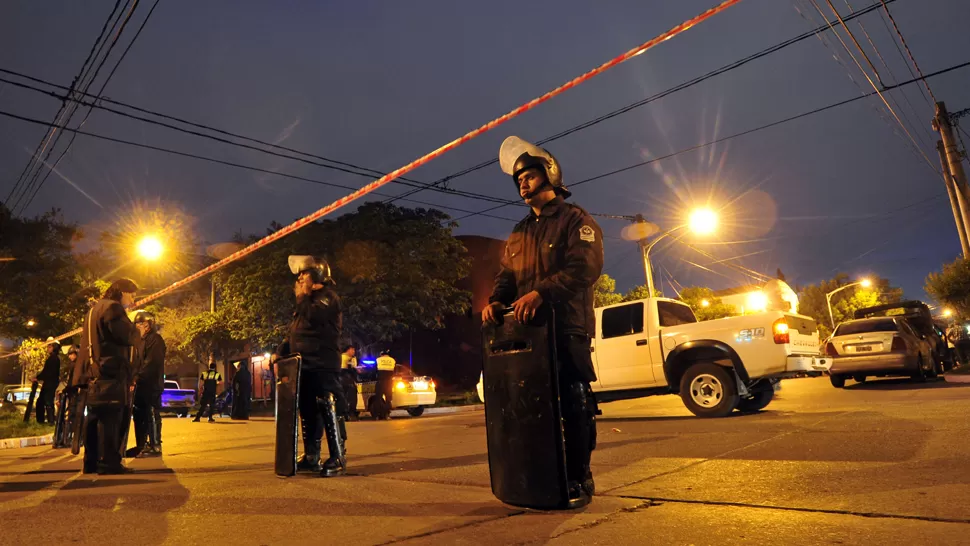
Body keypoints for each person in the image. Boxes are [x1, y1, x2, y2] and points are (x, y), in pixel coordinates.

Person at [482, 136, 604, 506]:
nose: (522, 182)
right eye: (518, 178)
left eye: (529, 175)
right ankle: (540, 476)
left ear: (549, 174)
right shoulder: (520, 231)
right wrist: (495, 301)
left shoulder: (575, 219)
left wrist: (542, 294)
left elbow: (585, 268)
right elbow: (507, 276)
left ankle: (580, 476)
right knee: (529, 405)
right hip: (528, 336)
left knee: (573, 399)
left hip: (566, 326)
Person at [273, 255, 347, 477]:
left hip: (323, 363)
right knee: (306, 410)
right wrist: (281, 353)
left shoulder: (327, 298)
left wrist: (302, 298)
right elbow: (298, 331)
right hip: (302, 365)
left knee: (328, 405)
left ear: (317, 275)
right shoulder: (306, 301)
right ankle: (312, 456)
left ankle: (338, 457)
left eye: (304, 274)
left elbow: (314, 317)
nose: (300, 278)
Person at [75, 278, 139, 475]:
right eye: (132, 295)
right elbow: (126, 336)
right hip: (110, 371)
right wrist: (133, 325)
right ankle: (109, 462)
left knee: (94, 417)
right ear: (122, 292)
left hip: (93, 372)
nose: (133, 300)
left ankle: (90, 462)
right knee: (111, 418)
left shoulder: (93, 310)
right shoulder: (113, 309)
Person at [128, 311, 166, 457]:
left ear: (149, 324)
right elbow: (137, 362)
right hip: (141, 384)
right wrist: (132, 376)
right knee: (139, 413)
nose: (139, 327)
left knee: (151, 412)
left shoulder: (156, 340)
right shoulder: (139, 342)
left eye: (141, 324)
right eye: (137, 324)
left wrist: (138, 376)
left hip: (152, 383)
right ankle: (141, 444)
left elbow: (152, 362)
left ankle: (155, 445)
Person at [34, 337, 62, 424]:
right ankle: (45, 421)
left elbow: (46, 372)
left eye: (49, 346)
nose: (47, 348)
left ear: (54, 347)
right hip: (50, 383)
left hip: (50, 383)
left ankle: (50, 421)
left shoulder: (53, 359)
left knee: (47, 401)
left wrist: (37, 378)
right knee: (43, 401)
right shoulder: (53, 358)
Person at [194, 357, 222, 423]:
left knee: (203, 405)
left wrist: (200, 390)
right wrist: (216, 385)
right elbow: (220, 382)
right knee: (212, 405)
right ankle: (210, 418)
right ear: (215, 367)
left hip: (206, 391)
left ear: (209, 367)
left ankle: (197, 418)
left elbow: (201, 383)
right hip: (212, 392)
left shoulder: (204, 373)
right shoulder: (217, 374)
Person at [375, 350, 396, 420]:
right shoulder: (392, 360)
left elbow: (374, 371)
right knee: (388, 399)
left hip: (380, 381)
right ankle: (387, 414)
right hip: (389, 382)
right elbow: (394, 371)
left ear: (381, 354)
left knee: (378, 398)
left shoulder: (378, 360)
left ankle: (378, 415)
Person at [341, 347, 360, 421]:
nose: (354, 351)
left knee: (344, 397)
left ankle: (345, 414)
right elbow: (350, 369)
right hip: (346, 379)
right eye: (352, 350)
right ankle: (350, 414)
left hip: (344, 379)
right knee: (352, 397)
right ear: (348, 350)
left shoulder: (350, 358)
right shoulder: (347, 358)